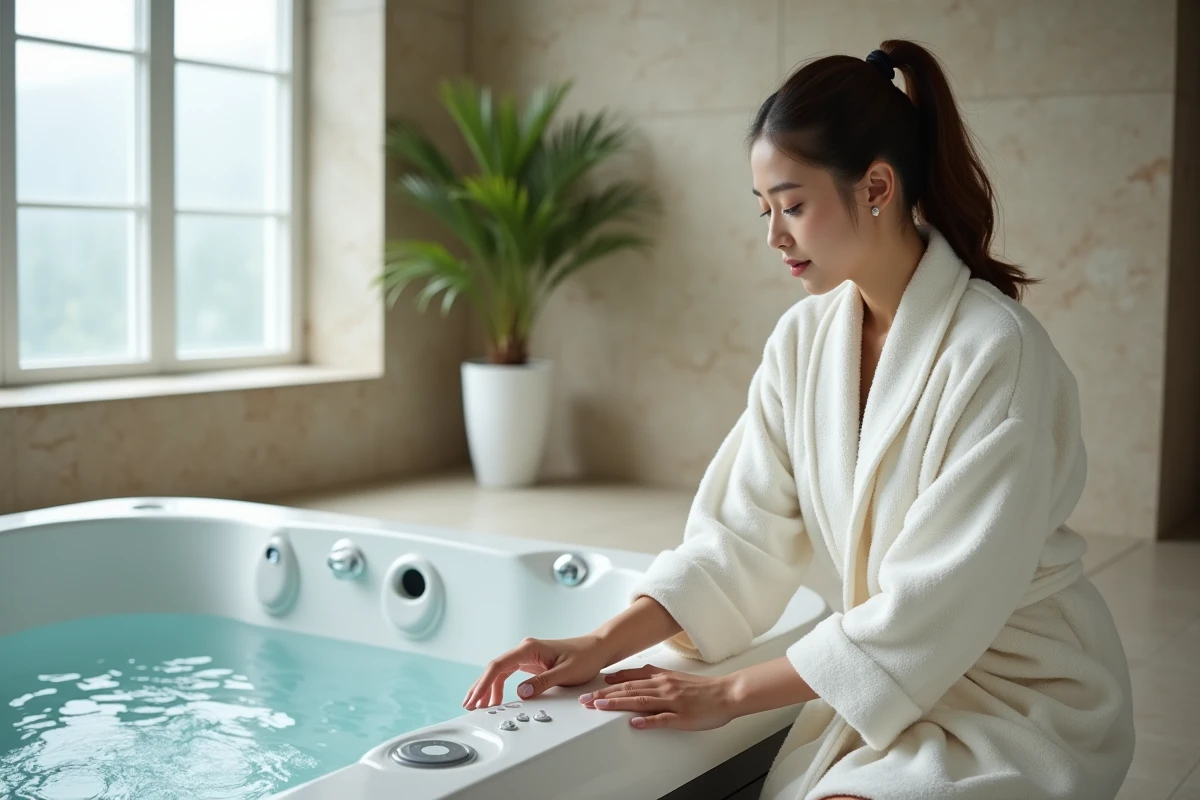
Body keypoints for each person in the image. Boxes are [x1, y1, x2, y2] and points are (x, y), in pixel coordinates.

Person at [462, 39, 1135, 800]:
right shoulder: (805, 342)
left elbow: (934, 607)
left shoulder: (997, 354)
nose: (774, 237)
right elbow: (738, 537)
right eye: (764, 210)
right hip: (890, 685)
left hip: (1019, 696)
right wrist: (596, 643)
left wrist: (727, 695)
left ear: (876, 186)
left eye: (792, 206)